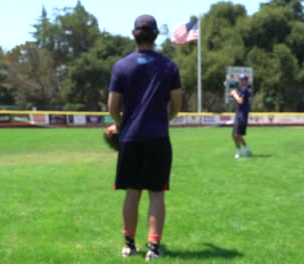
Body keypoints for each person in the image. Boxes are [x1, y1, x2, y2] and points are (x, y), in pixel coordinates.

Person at [107, 14, 182, 261]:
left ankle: (129, 245)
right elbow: (177, 105)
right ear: (156, 35)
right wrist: (164, 120)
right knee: (157, 193)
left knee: (132, 191)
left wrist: (122, 124)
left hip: (130, 138)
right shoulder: (169, 66)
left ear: (134, 34)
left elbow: (112, 107)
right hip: (158, 137)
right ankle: (154, 248)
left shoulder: (121, 66)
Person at [230, 74, 251, 158]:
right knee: (237, 134)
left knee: (235, 134)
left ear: (246, 81)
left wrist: (234, 94)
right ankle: (247, 150)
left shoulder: (244, 89)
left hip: (241, 114)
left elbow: (240, 101)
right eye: (240, 80)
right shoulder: (243, 89)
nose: (240, 81)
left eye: (242, 80)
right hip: (241, 114)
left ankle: (240, 152)